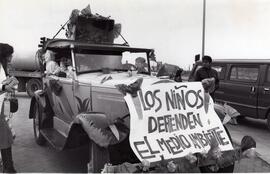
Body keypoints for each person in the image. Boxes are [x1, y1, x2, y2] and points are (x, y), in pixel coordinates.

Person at [0, 43, 17, 173]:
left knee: (5, 135)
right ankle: (8, 168)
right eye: (9, 54)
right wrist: (4, 87)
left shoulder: (3, 66)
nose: (11, 57)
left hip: (0, 107)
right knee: (6, 135)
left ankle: (8, 167)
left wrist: (9, 81)